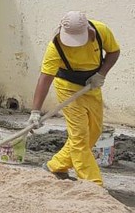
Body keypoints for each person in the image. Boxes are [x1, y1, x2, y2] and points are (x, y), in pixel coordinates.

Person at [29, 11, 120, 185]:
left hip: (91, 85)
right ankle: (92, 183)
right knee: (79, 136)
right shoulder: (55, 46)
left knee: (94, 131)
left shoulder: (101, 31)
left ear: (88, 30)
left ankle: (56, 165)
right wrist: (35, 111)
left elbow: (114, 52)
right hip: (67, 87)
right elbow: (45, 78)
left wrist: (101, 74)